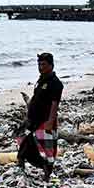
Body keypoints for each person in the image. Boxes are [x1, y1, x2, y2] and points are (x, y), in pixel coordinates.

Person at [17, 52, 63, 180]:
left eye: (43, 64)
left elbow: (55, 104)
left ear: (51, 65)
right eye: (39, 64)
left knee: (47, 149)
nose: (40, 67)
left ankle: (47, 173)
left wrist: (50, 121)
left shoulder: (55, 83)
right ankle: (21, 165)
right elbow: (36, 98)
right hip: (32, 120)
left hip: (45, 121)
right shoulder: (40, 80)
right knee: (23, 141)